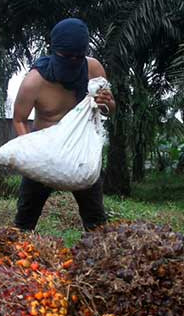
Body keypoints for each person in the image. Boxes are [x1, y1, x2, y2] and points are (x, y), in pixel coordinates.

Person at [12, 18, 116, 232]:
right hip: (45, 155)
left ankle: (99, 257)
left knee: (96, 222)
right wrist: (30, 153)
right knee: (24, 223)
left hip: (80, 154)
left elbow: (110, 108)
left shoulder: (92, 69)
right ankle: (17, 258)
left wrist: (107, 103)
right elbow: (19, 119)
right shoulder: (35, 81)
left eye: (77, 57)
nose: (72, 61)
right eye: (66, 57)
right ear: (54, 51)